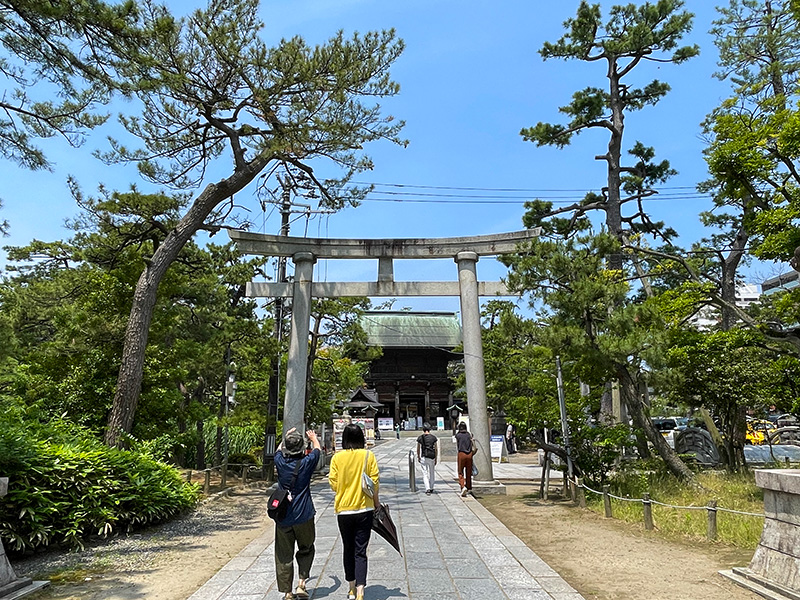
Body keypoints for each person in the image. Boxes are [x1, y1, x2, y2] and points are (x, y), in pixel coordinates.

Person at [328, 424, 380, 600]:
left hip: (343, 510)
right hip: (364, 508)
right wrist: (377, 504)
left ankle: (350, 587)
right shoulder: (368, 455)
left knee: (348, 548)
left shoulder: (337, 458)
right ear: (361, 438)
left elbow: (333, 484)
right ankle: (360, 591)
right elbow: (375, 483)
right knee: (360, 550)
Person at [273, 427, 322, 600]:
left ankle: (287, 592)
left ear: (287, 447)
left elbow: (278, 450)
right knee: (306, 548)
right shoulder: (307, 463)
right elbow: (317, 449)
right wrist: (313, 437)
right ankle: (302, 583)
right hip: (304, 513)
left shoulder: (280, 462)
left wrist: (286, 437)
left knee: (283, 554)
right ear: (302, 448)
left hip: (284, 516)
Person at [416, 423, 439, 495]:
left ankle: (427, 488)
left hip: (424, 456)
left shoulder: (420, 438)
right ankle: (431, 487)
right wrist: (436, 457)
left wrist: (418, 456)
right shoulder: (433, 438)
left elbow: (418, 448)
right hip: (432, 456)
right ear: (429, 429)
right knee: (432, 472)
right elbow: (436, 449)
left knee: (425, 473)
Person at [454, 421, 473, 497]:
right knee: (468, 471)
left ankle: (462, 486)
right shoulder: (469, 435)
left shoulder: (458, 435)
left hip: (461, 454)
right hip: (469, 454)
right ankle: (468, 486)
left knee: (460, 471)